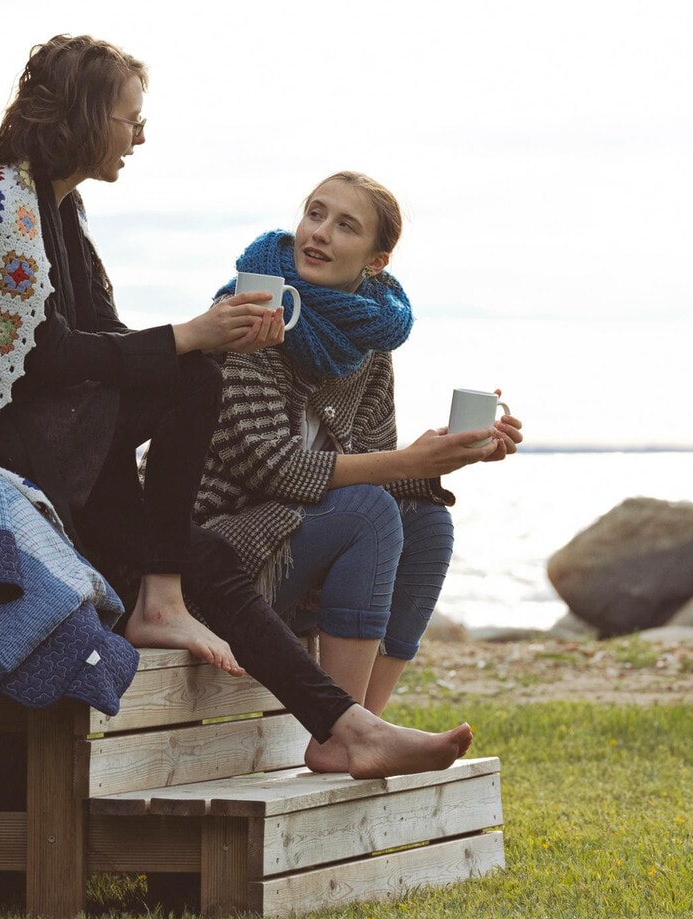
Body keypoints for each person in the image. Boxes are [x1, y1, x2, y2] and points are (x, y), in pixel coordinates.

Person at [0, 36, 472, 778]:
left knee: (205, 555)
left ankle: (344, 728)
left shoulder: (62, 211)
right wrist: (194, 340)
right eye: (130, 117)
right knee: (190, 379)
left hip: (67, 455)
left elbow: (104, 344)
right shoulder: (0, 203)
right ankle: (253, 658)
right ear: (88, 117)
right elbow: (41, 359)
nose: (140, 134)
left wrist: (213, 341)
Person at [195, 172, 522, 713]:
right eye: (315, 214)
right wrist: (406, 461)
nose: (319, 233)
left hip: (300, 555)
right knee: (368, 511)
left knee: (425, 515)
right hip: (219, 557)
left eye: (345, 226)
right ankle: (342, 728)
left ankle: (368, 720)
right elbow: (269, 467)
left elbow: (377, 466)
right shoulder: (250, 310)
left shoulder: (368, 345)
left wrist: (450, 457)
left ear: (376, 260)